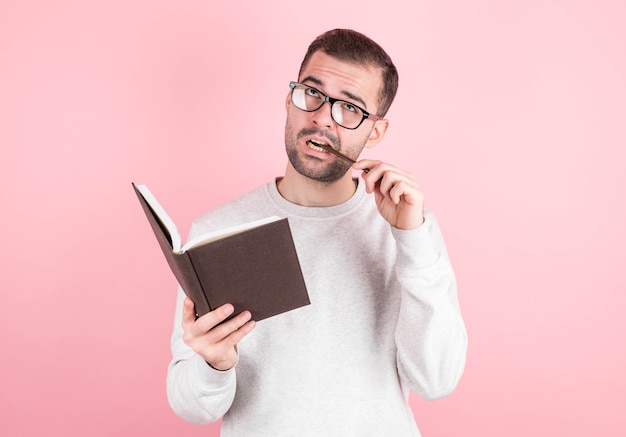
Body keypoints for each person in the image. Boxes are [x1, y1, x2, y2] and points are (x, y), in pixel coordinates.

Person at [166, 28, 467, 436]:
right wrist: (213, 363)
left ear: (374, 132)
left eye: (350, 108)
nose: (323, 117)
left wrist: (411, 240)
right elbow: (191, 408)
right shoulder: (218, 231)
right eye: (312, 93)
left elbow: (437, 380)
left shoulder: (406, 231)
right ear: (288, 101)